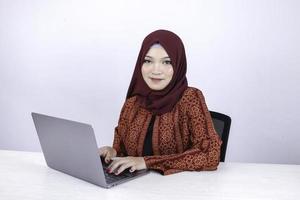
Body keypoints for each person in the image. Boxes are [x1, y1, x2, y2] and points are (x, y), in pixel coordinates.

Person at [99, 29, 222, 176]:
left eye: (166, 62)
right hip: (134, 190)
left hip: (179, 190)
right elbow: (123, 152)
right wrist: (112, 152)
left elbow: (210, 155)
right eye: (148, 61)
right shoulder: (132, 104)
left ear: (178, 64)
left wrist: (146, 162)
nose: (156, 70)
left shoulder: (190, 98)